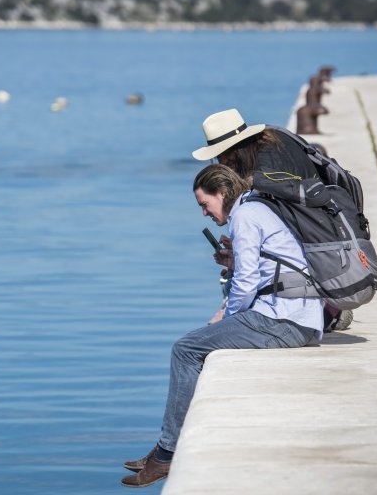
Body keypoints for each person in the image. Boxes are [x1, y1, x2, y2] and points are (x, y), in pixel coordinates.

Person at [120, 164, 324, 488]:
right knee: (197, 343)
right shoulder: (257, 208)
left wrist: (224, 319)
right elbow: (261, 271)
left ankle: (167, 453)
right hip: (298, 314)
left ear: (223, 193)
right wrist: (233, 263)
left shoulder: (244, 217)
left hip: (285, 319)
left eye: (205, 204)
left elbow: (245, 285)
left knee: (186, 349)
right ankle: (164, 447)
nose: (203, 213)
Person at [192, 108, 353, 332]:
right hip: (329, 246)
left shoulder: (265, 174)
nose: (222, 162)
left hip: (317, 270)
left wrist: (243, 252)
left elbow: (287, 236)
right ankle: (330, 308)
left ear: (238, 148)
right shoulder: (276, 145)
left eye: (224, 155)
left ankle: (331, 311)